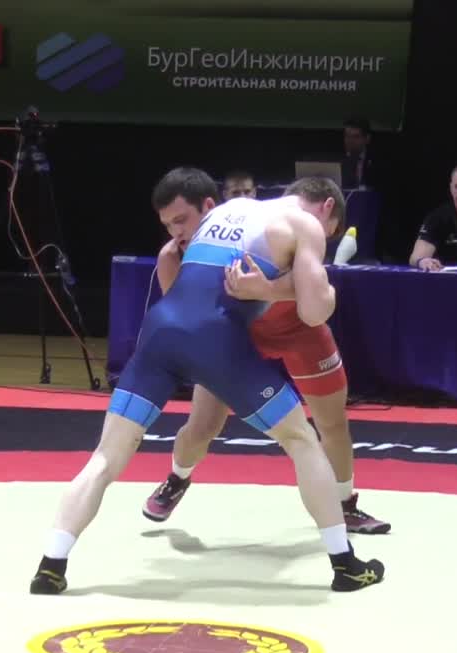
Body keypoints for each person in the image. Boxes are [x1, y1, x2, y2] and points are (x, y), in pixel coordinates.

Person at [30, 168, 385, 595]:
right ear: (325, 209)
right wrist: (308, 290)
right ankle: (346, 566)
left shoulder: (228, 210)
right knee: (302, 440)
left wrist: (269, 287)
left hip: (160, 333)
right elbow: (312, 312)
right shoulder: (303, 224)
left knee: (106, 456)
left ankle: (51, 566)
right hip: (218, 341)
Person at [145, 178, 390, 535]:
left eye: (180, 221)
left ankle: (345, 504)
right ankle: (177, 478)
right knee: (202, 428)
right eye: (170, 224)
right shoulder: (181, 253)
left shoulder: (292, 228)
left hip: (300, 331)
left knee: (333, 422)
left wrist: (268, 289)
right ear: (327, 208)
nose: (176, 231)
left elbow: (313, 296)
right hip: (238, 336)